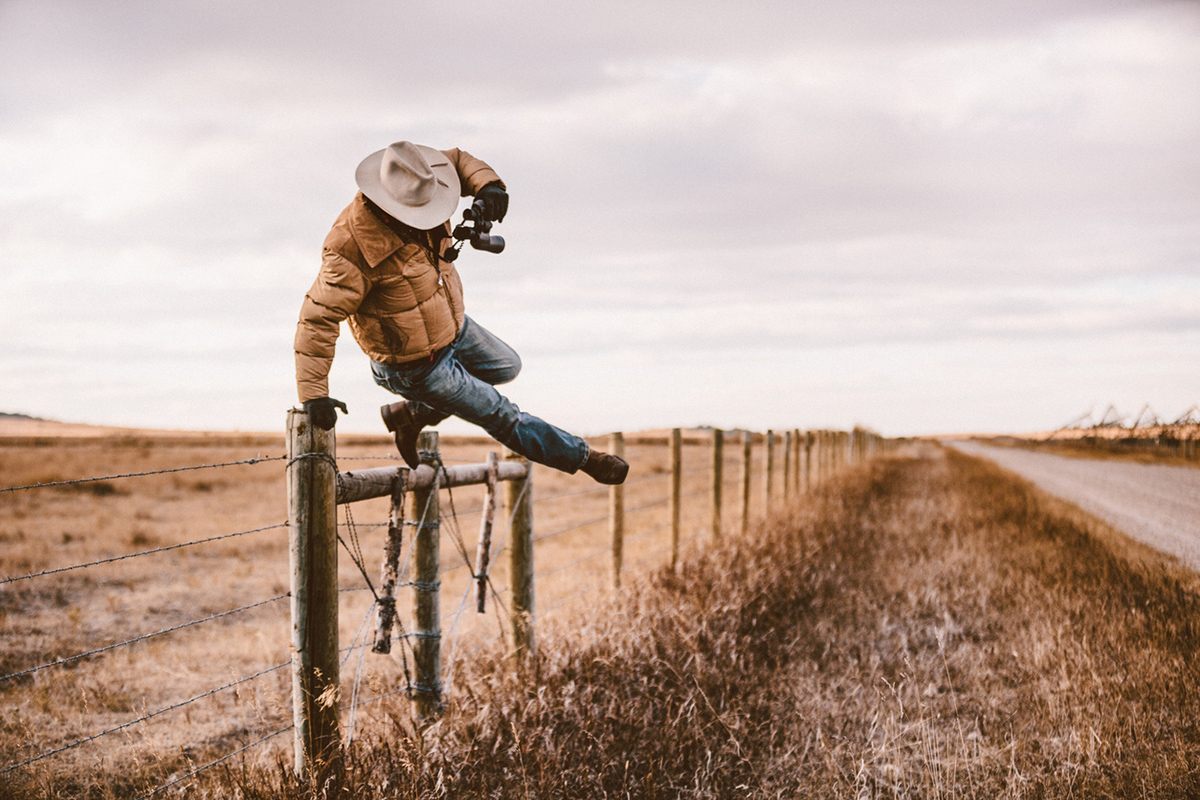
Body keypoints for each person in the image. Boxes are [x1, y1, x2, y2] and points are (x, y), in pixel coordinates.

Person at [294, 141, 628, 485]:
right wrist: (314, 395)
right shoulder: (349, 248)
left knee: (507, 366)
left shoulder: (420, 177)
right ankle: (585, 458)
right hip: (414, 366)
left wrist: (488, 184)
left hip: (453, 329)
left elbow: (455, 160)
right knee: (501, 414)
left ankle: (412, 414)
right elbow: (317, 319)